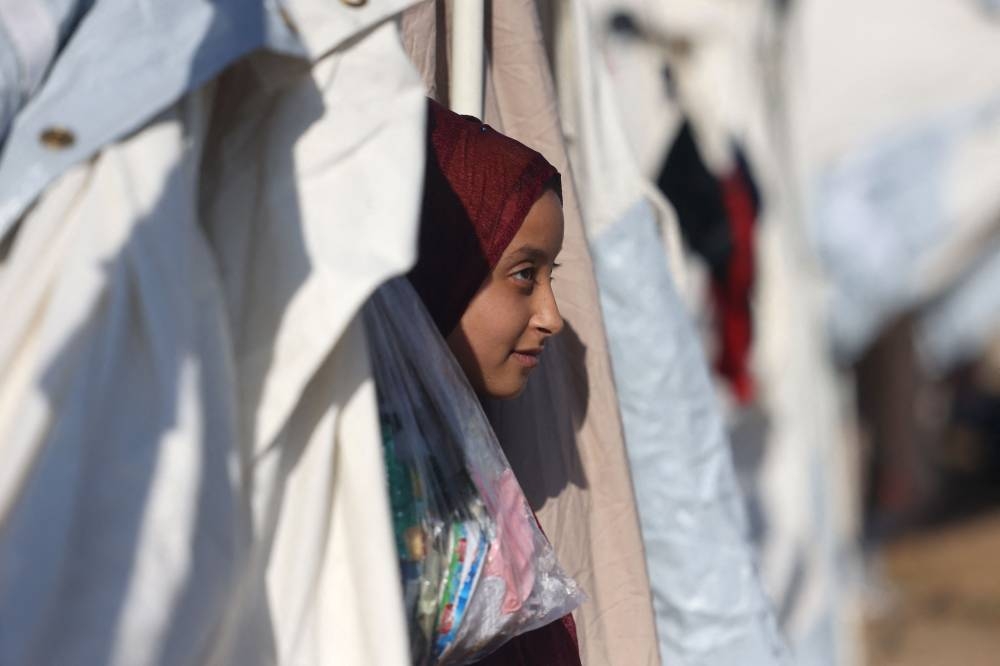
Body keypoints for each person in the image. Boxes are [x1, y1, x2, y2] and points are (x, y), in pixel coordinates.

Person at [407, 99, 581, 665]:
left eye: (549, 275)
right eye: (524, 274)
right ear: (441, 261)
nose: (551, 316)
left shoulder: (467, 470)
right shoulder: (382, 482)